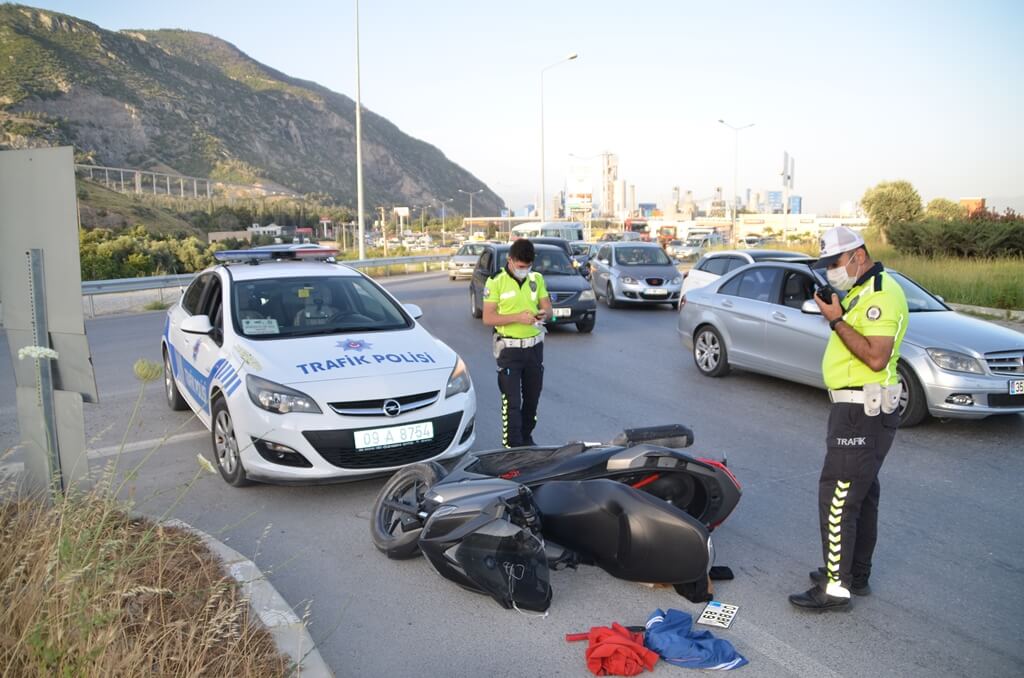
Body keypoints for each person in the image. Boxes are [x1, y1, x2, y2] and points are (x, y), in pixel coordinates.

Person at [789, 226, 909, 611]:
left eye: (834, 263)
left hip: (862, 411)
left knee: (838, 496)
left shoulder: (880, 295)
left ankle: (836, 586)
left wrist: (837, 321)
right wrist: (839, 311)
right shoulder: (860, 290)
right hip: (860, 407)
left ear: (858, 255)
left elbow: (875, 356)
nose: (830, 272)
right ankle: (854, 573)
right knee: (862, 495)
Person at [481, 239, 552, 448]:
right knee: (511, 404)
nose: (525, 270)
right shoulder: (496, 281)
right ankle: (512, 447)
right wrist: (517, 318)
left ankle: (527, 439)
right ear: (510, 260)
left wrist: (544, 314)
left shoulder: (536, 278)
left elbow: (548, 308)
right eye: (521, 266)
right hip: (509, 350)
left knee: (532, 400)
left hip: (534, 349)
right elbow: (488, 318)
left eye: (528, 266)